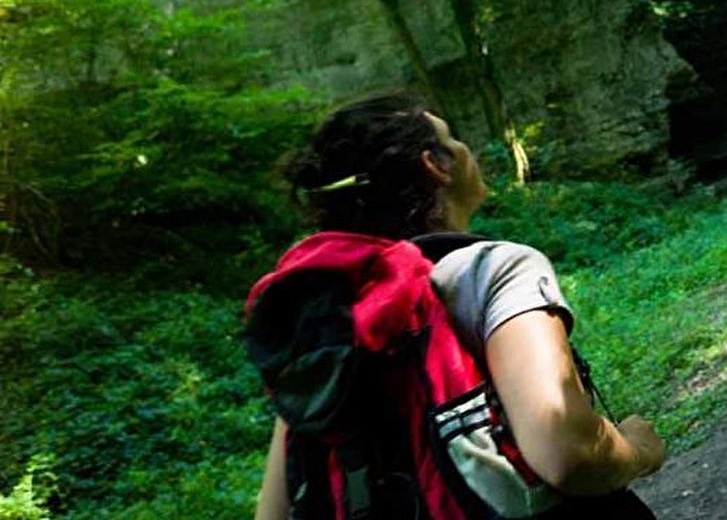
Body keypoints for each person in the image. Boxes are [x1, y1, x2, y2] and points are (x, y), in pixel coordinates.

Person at [252, 93, 666, 519]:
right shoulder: (492, 269)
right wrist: (636, 449)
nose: (466, 148)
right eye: (453, 138)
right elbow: (568, 454)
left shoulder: (324, 317)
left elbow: (273, 513)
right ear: (436, 165)